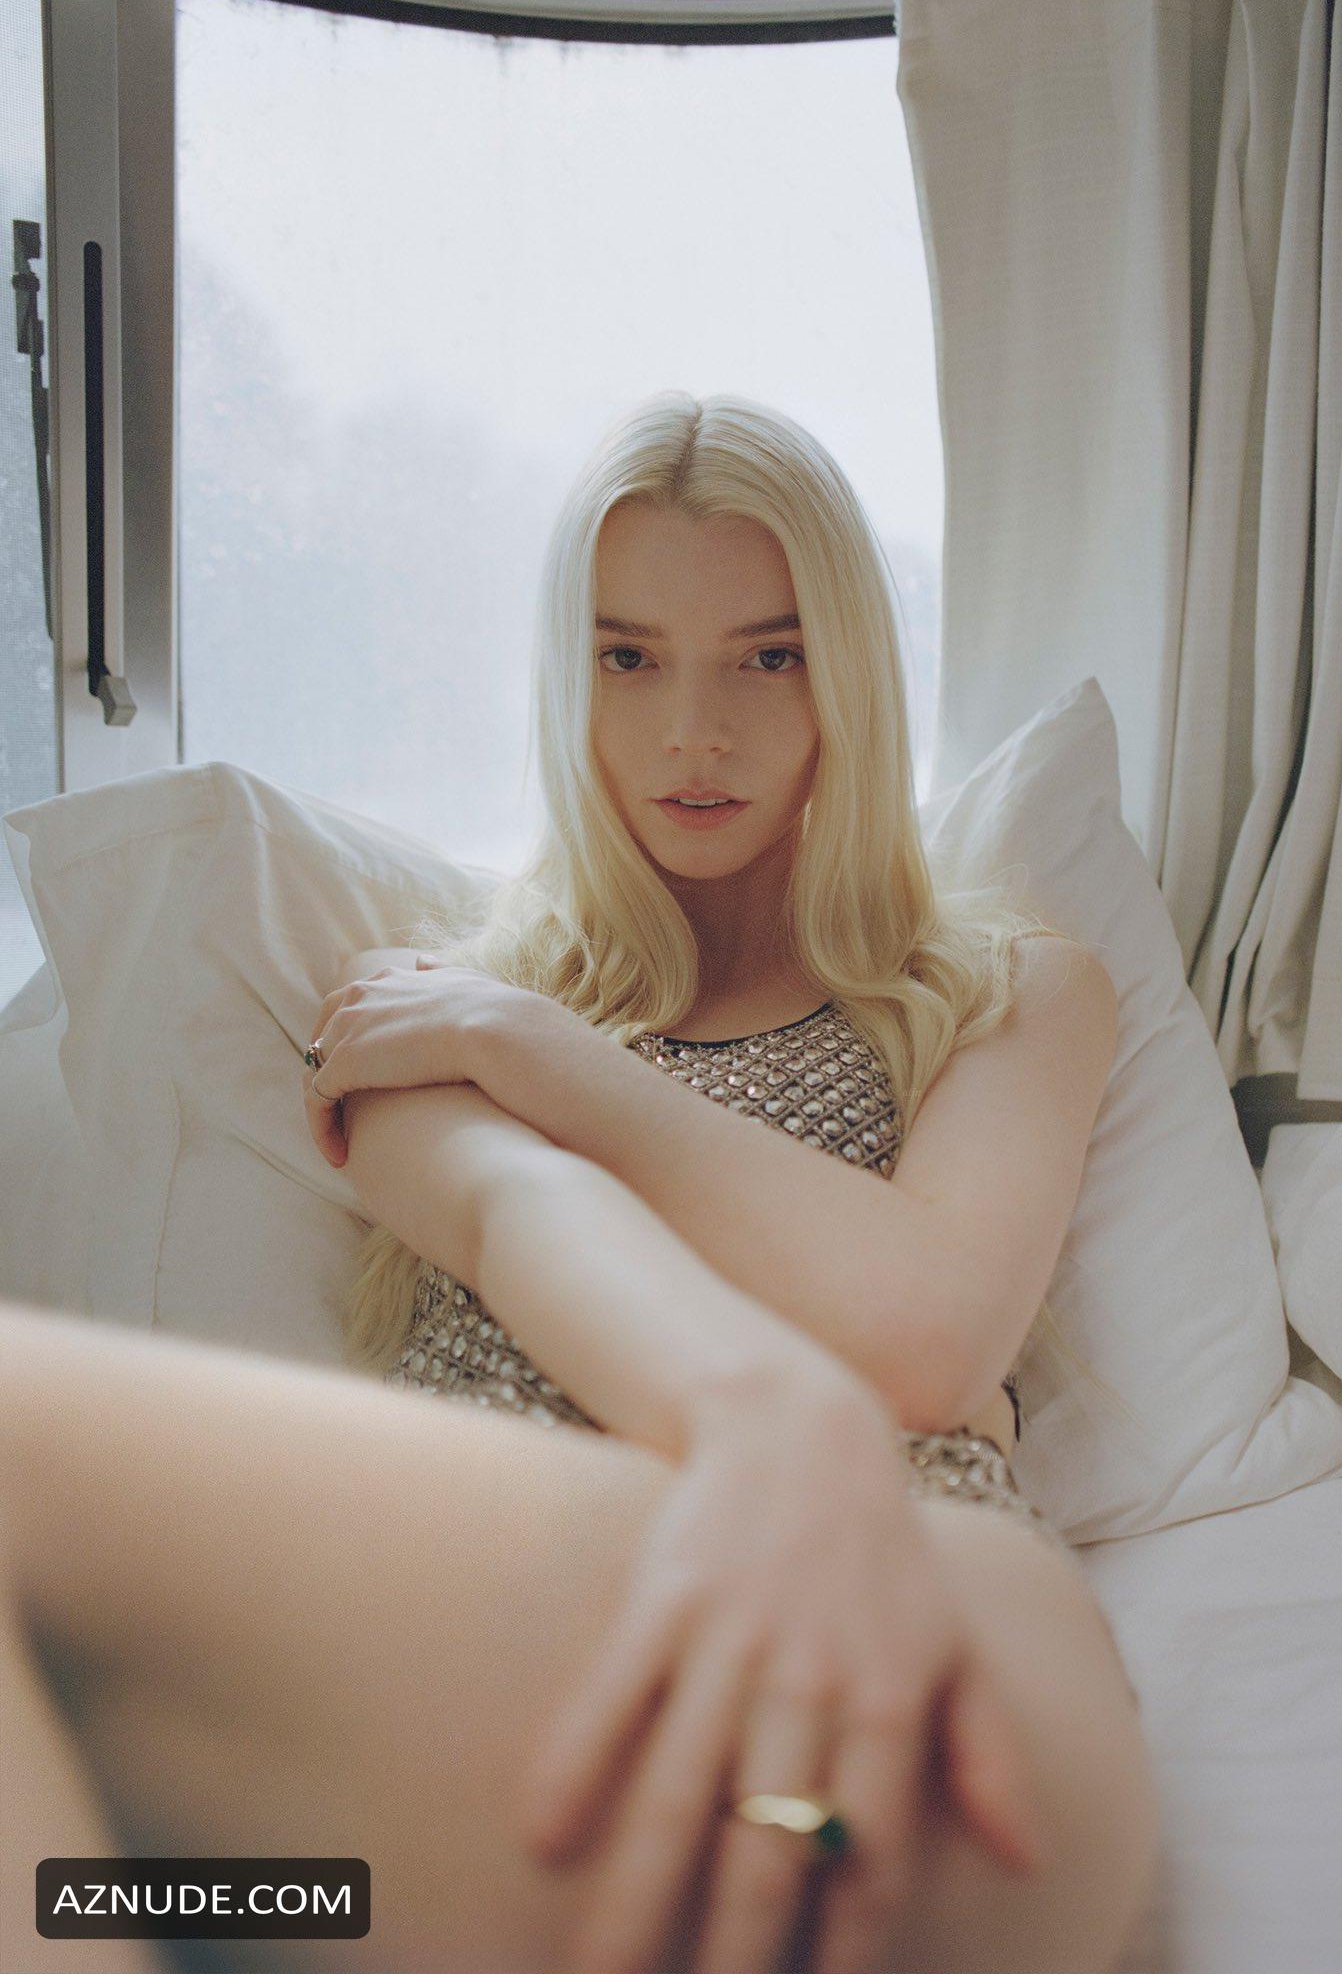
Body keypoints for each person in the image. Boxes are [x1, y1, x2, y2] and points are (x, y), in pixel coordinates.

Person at [0, 393, 1158, 1974]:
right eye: (629, 658)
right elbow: (508, 1210)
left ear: (850, 673)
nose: (696, 731)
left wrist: (550, 1060)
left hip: (904, 1598)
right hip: (480, 1638)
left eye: (769, 656)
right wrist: (749, 1395)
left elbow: (929, 1337)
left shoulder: (1006, 993)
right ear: (570, 675)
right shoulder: (429, 999)